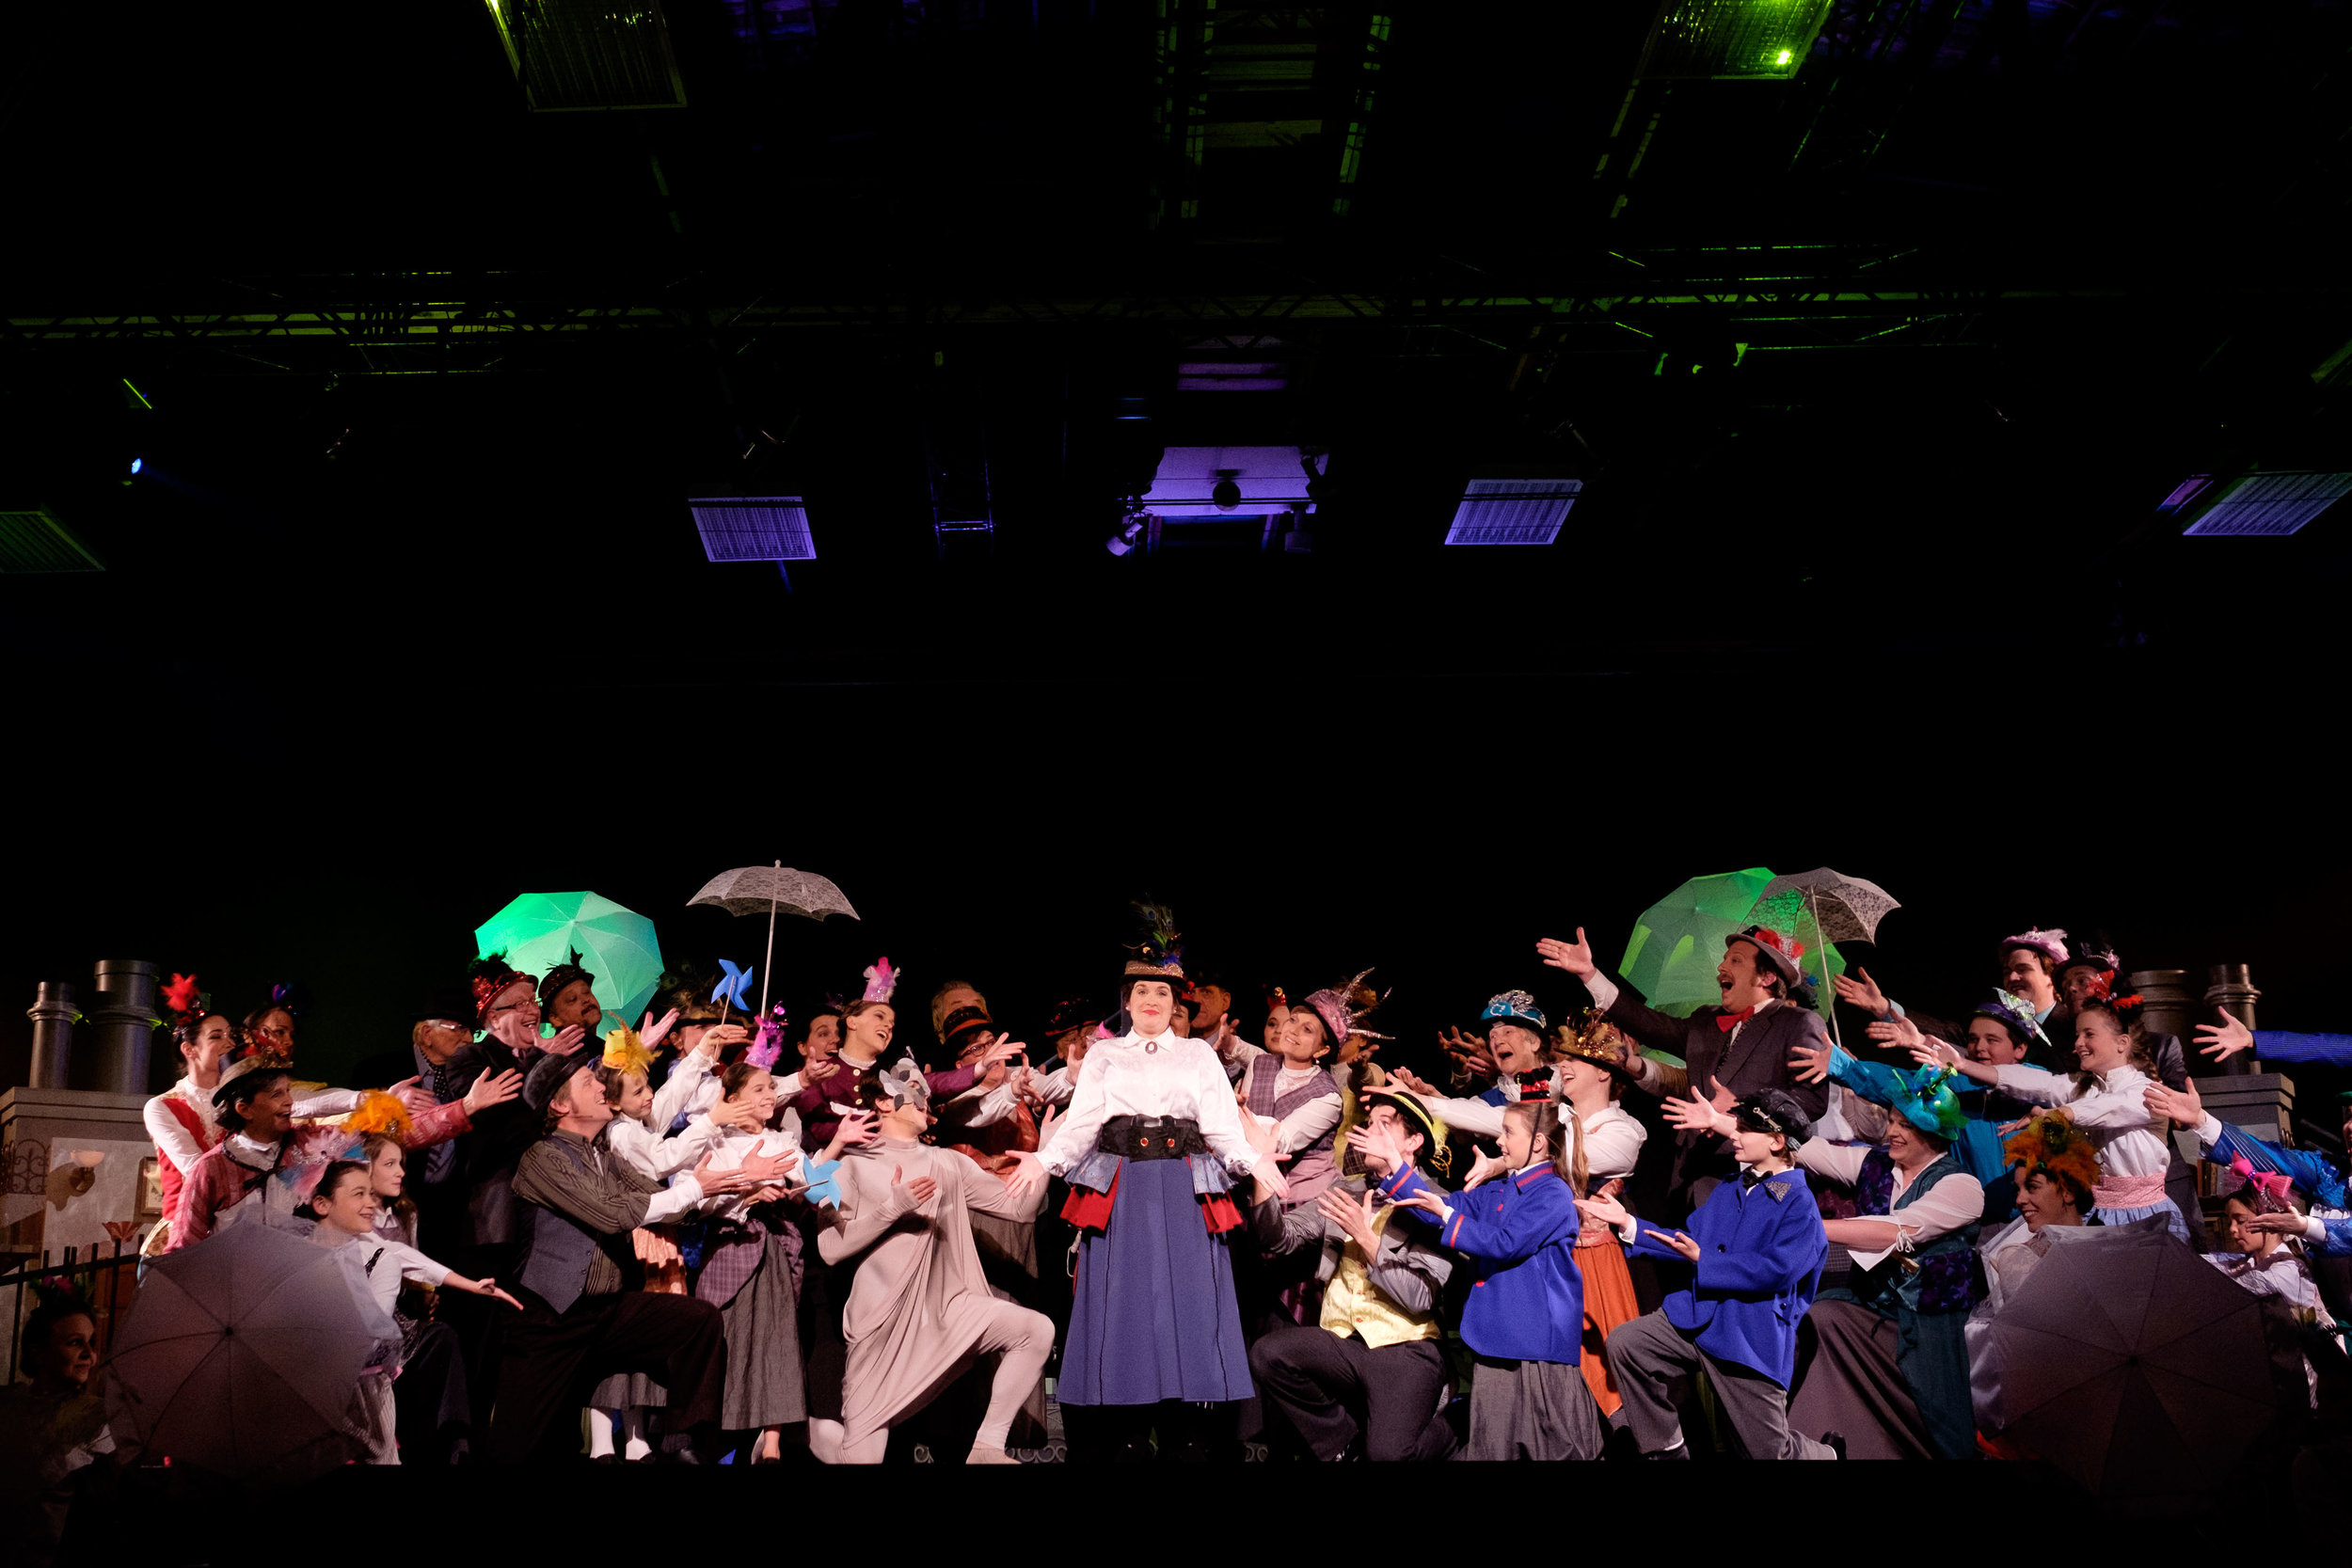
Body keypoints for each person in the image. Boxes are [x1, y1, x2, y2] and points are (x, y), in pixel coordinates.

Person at [1010, 906, 1283, 1458]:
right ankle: (1127, 1421)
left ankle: (1191, 1422)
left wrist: (1256, 1164)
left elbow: (1221, 1127)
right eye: (1141, 993)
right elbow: (1085, 1121)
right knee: (1127, 1298)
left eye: (1162, 992)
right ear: (1127, 1002)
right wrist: (1046, 1159)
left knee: (1189, 1296)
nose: (1152, 1001)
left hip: (1184, 1180)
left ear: (1175, 1002)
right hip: (1126, 1183)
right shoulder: (1105, 1054)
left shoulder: (1199, 1054)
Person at [485, 1057, 776, 1464]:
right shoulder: (542, 1158)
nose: (601, 1088)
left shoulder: (606, 1157)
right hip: (550, 1319)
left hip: (605, 1312)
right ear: (560, 1105)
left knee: (696, 1320)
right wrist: (693, 1189)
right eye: (588, 1083)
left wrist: (737, 1179)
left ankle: (690, 1437)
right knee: (520, 1445)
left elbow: (672, 1208)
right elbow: (612, 1213)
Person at [1720, 1065, 1985, 1462]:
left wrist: (1811, 1225)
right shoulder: (1874, 1164)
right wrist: (1725, 1124)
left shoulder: (1963, 1186)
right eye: (1892, 1121)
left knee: (1945, 1424)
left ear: (1931, 1135)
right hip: (1873, 1304)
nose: (1892, 1132)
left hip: (1931, 1320)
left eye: (1904, 1126)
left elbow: (1894, 1230)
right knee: (1819, 1314)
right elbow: (1799, 1146)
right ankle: (1814, 1444)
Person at [818, 1064, 1057, 1464]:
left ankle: (986, 1447)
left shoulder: (948, 1162)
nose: (925, 1097)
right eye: (914, 1088)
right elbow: (829, 1248)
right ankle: (791, 1432)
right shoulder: (850, 1163)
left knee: (1035, 1330)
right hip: (882, 1325)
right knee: (858, 1458)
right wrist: (892, 1209)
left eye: (926, 1090)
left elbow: (1019, 1210)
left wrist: (1044, 1158)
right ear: (883, 1102)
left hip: (947, 1310)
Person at [1583, 1088, 1836, 1460]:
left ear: (1778, 1141)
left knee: (1769, 1453)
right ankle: (1666, 1449)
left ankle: (1824, 1457)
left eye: (1746, 1129)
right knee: (1627, 1342)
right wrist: (1629, 1224)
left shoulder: (1798, 1204)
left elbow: (1777, 1271)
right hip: (1696, 1319)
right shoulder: (1730, 1187)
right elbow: (1691, 1244)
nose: (1733, 1134)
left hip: (1747, 1336)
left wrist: (1705, 1261)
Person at [1538, 924, 1830, 1217]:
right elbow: (1650, 1023)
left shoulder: (1799, 1023)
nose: (1721, 967)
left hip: (1753, 1180)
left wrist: (1743, 1109)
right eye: (1725, 958)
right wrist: (1590, 974)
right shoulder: (1707, 1020)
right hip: (1691, 1180)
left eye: (1736, 960)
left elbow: (1813, 1102)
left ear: (1766, 976)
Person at [1379, 1095, 1608, 1460]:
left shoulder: (1552, 1193)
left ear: (1537, 1143)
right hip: (1498, 1336)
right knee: (1493, 1448)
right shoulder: (1501, 1189)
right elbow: (1443, 1206)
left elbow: (1507, 1243)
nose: (1499, 1142)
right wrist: (1394, 1163)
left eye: (1507, 1132)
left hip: (1535, 1342)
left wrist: (1450, 1217)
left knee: (1552, 1448)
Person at [1245, 1087, 1454, 1462]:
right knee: (1268, 1353)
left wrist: (1366, 1237)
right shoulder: (1346, 1188)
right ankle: (1342, 1446)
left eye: (1383, 1125)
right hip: (1343, 1341)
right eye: (1368, 1123)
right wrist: (1262, 1168)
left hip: (1406, 1348)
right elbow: (1278, 1238)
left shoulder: (1437, 1201)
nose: (1367, 1132)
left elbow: (1420, 1298)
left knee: (1390, 1455)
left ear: (1414, 1141)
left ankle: (1455, 1423)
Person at [143, 977, 388, 1257]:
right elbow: (197, 1171)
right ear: (189, 1050)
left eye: (230, 1035)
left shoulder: (250, 1095)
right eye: (216, 1036)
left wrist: (368, 1099)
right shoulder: (162, 1107)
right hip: (190, 1231)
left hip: (253, 1233)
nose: (229, 1042)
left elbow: (309, 1103)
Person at [1916, 990, 2189, 1240]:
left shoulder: (2145, 1091)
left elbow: (2109, 1108)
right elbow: (2034, 1081)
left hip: (2146, 1216)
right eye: (2077, 1035)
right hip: (2099, 1216)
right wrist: (1963, 1064)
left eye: (2089, 1034)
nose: (2078, 1043)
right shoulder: (2083, 1087)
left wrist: (2056, 1115)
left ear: (2122, 1043)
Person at [304, 1159, 522, 1463]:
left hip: (361, 1383)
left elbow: (374, 1331)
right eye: (359, 1194)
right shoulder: (295, 1251)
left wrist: (472, 1286)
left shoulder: (379, 1258)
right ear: (321, 1204)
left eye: (371, 1194)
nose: (371, 1204)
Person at [169, 1051, 502, 1249]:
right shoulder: (211, 1169)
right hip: (238, 1295)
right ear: (244, 1109)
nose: (289, 1102)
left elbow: (391, 1139)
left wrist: (466, 1106)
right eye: (276, 1095)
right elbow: (184, 1247)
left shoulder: (314, 1143)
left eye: (288, 1091)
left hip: (305, 1290)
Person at [1967, 1110, 2102, 1432]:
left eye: (2033, 1187)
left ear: (2067, 1190)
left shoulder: (2104, 1250)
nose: (2021, 1200)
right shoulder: (2011, 1254)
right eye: (2018, 1189)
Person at [0, 1283, 114, 1566]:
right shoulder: (7, 1403)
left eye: (91, 1342)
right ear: (38, 1352)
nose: (89, 1353)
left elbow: (108, 1505)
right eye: (75, 1342)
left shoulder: (96, 1417)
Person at [1236, 972, 1354, 1209]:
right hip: (1254, 1194)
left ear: (1321, 1051)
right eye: (1293, 1020)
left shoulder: (1328, 1097)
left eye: (1307, 1029)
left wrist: (1233, 1117)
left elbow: (1279, 1140)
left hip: (1304, 1204)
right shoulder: (1260, 1065)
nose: (1293, 1030)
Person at [539, 950, 605, 1041]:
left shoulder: (608, 1049)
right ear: (555, 1018)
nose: (585, 1000)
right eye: (572, 999)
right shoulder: (561, 1055)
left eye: (586, 992)